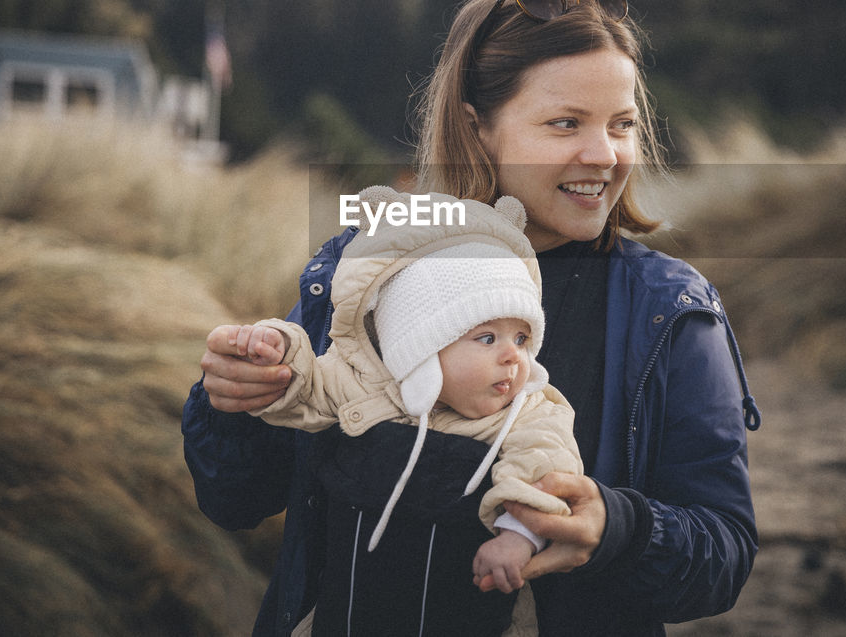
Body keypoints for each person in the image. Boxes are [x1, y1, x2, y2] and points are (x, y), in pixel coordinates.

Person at [183, 0, 761, 637]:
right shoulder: (368, 269)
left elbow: (724, 555)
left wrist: (616, 525)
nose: (603, 154)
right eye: (565, 123)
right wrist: (232, 400)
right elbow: (235, 497)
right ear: (475, 126)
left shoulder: (671, 311)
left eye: (621, 124)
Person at [208, 186, 582, 635]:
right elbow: (309, 386)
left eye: (521, 338)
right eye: (488, 338)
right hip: (349, 617)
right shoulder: (368, 386)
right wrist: (277, 351)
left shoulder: (529, 412)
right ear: (419, 343)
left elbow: (547, 466)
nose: (513, 357)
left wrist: (519, 537)